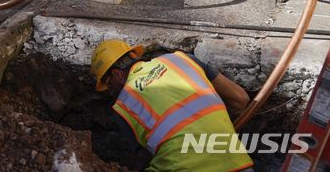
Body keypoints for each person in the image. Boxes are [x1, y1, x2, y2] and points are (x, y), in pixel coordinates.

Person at [90, 39, 254, 171]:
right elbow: (240, 99)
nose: (111, 92)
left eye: (109, 85)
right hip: (236, 164)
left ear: (117, 74)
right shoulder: (182, 59)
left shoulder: (123, 106)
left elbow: (143, 160)